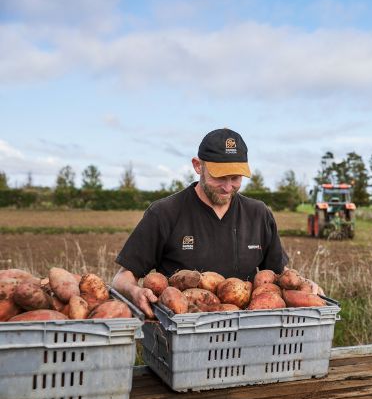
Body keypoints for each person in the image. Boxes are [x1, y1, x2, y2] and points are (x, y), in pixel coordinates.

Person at [112, 128, 322, 317]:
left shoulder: (259, 214)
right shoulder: (164, 213)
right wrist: (135, 292)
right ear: (198, 166)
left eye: (236, 178)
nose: (228, 187)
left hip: (249, 329)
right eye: (219, 177)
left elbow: (280, 275)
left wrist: (304, 285)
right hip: (184, 328)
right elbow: (122, 278)